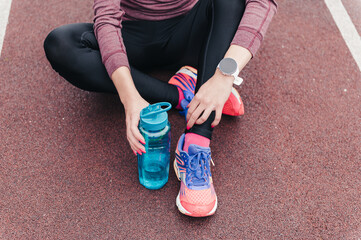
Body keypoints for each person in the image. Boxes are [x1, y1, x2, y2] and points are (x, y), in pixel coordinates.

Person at [44, 0, 277, 217]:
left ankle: (196, 142)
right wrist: (130, 98)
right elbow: (106, 19)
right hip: (132, 38)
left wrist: (225, 75)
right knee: (61, 44)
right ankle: (182, 94)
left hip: (192, 32)